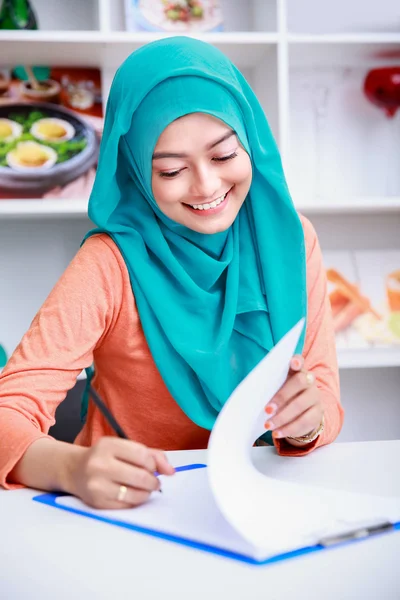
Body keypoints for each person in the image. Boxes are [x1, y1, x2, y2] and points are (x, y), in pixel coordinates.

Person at [0, 36, 343, 509]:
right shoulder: (111, 262)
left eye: (224, 155)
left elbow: (323, 394)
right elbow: (8, 411)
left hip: (258, 502)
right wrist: (71, 468)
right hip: (131, 509)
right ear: (138, 174)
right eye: (170, 171)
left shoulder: (290, 240)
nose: (207, 186)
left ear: (251, 141)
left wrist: (310, 422)